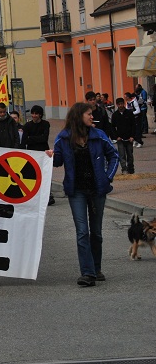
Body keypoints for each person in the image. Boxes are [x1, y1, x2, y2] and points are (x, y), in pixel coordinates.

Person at [48, 102, 118, 287]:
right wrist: (49, 155)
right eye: (88, 114)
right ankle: (87, 273)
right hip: (76, 190)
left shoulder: (98, 135)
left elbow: (114, 156)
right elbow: (57, 161)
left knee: (96, 232)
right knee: (82, 232)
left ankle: (96, 268)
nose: (91, 116)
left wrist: (108, 177)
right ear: (79, 116)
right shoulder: (64, 137)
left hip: (97, 190)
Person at [22, 105, 55, 205]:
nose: (34, 115)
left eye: (36, 114)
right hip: (32, 153)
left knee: (45, 174)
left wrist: (31, 138)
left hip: (43, 152)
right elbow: (24, 140)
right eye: (32, 113)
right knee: (32, 174)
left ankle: (48, 195)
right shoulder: (27, 126)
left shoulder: (45, 124)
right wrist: (37, 138)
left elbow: (44, 138)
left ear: (40, 114)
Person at [111, 97, 136, 175]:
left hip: (129, 137)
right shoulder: (115, 115)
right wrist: (116, 137)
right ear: (117, 105)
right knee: (122, 155)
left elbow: (133, 125)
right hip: (120, 138)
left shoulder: (129, 113)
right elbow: (112, 127)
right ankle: (124, 169)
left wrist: (132, 136)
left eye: (122, 104)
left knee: (130, 154)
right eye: (119, 104)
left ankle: (131, 168)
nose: (121, 106)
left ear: (124, 104)